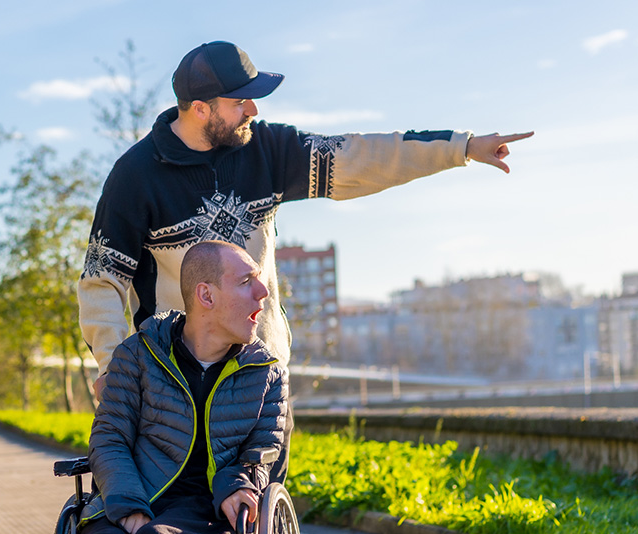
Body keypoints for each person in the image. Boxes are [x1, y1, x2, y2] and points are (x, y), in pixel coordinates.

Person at [78, 40, 534, 402]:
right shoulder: (135, 178)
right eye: (241, 102)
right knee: (177, 514)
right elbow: (101, 284)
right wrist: (115, 369)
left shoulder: (269, 151)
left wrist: (461, 148)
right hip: (172, 384)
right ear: (201, 108)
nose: (254, 111)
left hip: (261, 373)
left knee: (257, 508)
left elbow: (360, 157)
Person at [64, 240, 286, 534]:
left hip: (205, 513)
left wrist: (238, 484)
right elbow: (109, 437)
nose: (263, 291)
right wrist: (129, 508)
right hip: (130, 496)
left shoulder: (266, 373)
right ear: (206, 295)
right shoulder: (138, 354)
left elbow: (262, 451)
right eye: (247, 280)